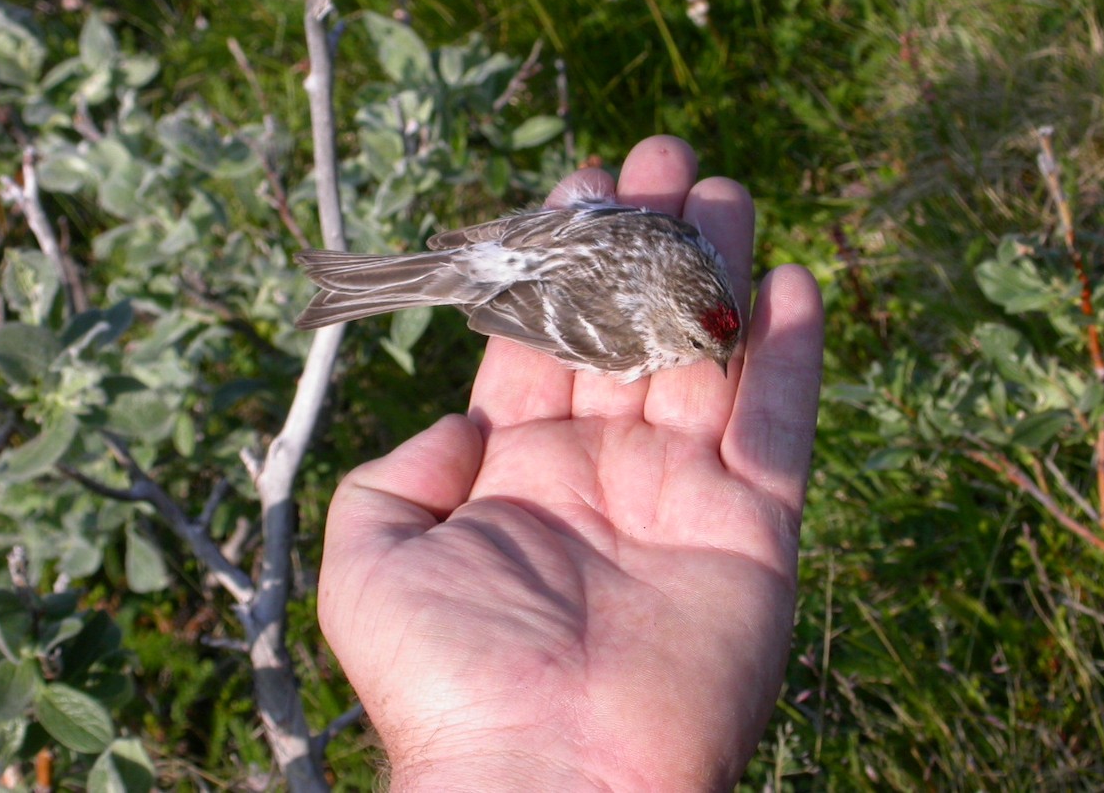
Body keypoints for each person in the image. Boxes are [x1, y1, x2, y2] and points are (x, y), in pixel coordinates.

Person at [316, 135, 825, 792]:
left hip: (534, 242)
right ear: (676, 317)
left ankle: (349, 282)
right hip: (525, 280)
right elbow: (544, 304)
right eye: (701, 345)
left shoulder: (688, 247)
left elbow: (589, 225)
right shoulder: (634, 324)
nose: (714, 361)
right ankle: (350, 285)